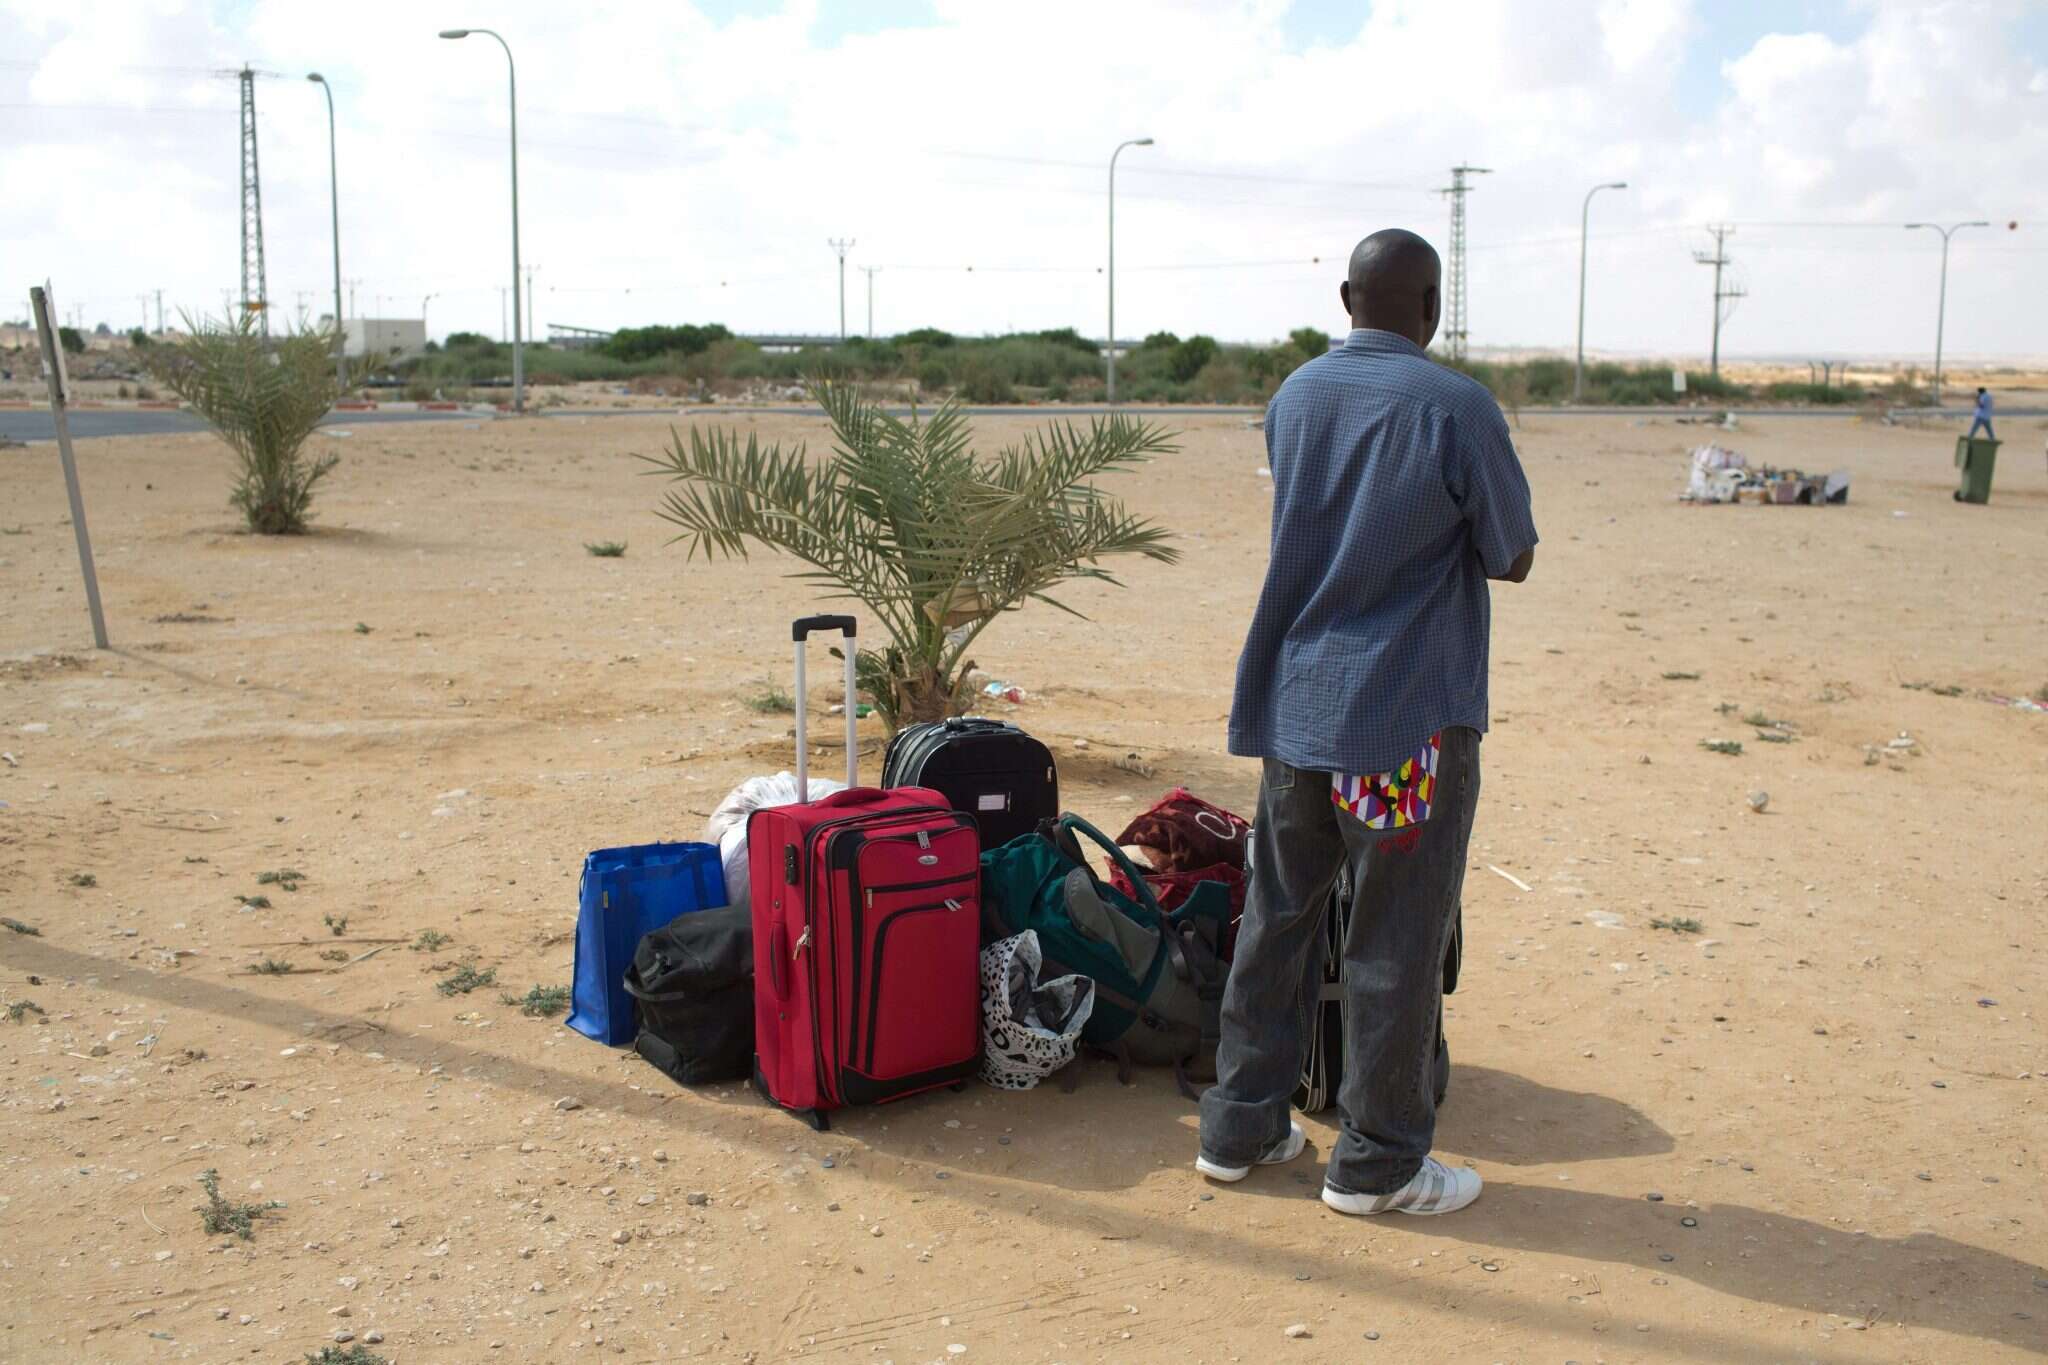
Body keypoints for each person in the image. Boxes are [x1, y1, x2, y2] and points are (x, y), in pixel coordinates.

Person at [1198, 228, 1537, 1217]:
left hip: (1293, 709)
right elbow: (1508, 553)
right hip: (1398, 728)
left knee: (1276, 918)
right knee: (1392, 934)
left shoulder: (1295, 396)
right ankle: (1378, 1161)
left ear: (1344, 297)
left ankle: (1237, 1128)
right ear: (1430, 308)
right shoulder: (1456, 408)